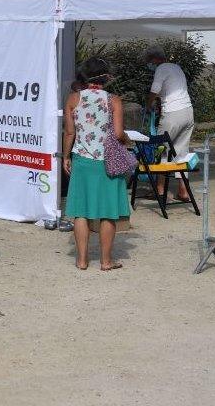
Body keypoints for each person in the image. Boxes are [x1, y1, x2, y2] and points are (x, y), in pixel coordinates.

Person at [62, 57, 131, 271]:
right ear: (105, 77)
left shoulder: (74, 99)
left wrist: (66, 157)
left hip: (82, 159)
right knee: (108, 211)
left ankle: (82, 260)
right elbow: (118, 134)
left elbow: (70, 132)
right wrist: (128, 139)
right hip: (106, 160)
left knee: (80, 211)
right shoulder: (114, 100)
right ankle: (105, 261)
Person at [144, 45, 194, 201]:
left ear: (155, 59)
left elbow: (155, 89)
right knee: (181, 151)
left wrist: (148, 104)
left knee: (161, 150)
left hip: (172, 114)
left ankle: (159, 190)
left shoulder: (161, 69)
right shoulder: (176, 68)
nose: (149, 65)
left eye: (149, 61)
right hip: (188, 112)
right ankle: (183, 191)